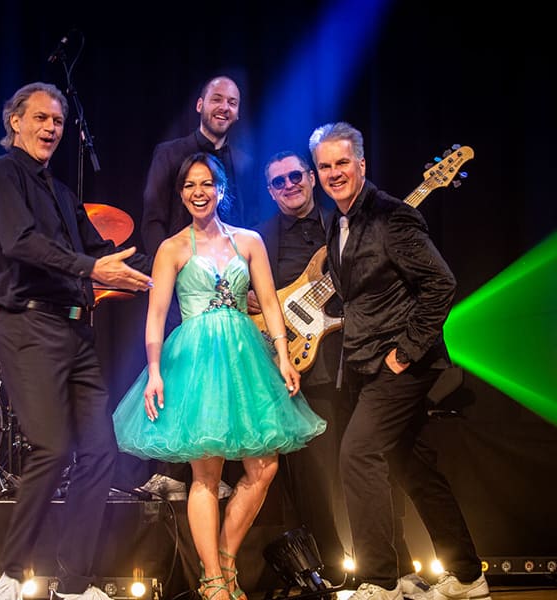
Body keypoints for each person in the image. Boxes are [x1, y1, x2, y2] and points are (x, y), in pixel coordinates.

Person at [113, 152, 326, 600]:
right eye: (190, 185)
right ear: (181, 194)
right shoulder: (172, 248)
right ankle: (213, 581)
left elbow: (270, 304)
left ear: (221, 189)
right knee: (205, 475)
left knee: (264, 467)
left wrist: (283, 356)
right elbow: (155, 317)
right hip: (196, 362)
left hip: (245, 358)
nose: (198, 192)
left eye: (206, 183)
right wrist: (154, 372)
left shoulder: (249, 241)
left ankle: (224, 559)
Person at [0, 81, 154, 600]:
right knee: (52, 447)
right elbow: (21, 242)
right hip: (28, 326)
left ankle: (74, 584)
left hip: (77, 331)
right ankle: (12, 574)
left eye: (57, 121)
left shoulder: (62, 193)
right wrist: (91, 268)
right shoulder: (2, 174)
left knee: (100, 452)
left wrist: (179, 258)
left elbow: (103, 253)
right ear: (16, 121)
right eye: (41, 118)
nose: (51, 128)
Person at [308, 122, 489, 600]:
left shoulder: (393, 217)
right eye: (324, 166)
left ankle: (380, 580)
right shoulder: (337, 222)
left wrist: (405, 352)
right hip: (364, 364)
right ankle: (468, 576)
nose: (333, 173)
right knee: (412, 467)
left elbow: (441, 285)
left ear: (361, 164)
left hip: (403, 365)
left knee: (357, 455)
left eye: (342, 163)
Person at [137, 75, 257, 499]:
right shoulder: (170, 153)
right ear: (200, 105)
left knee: (226, 379)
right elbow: (152, 218)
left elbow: (245, 225)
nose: (224, 107)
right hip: (182, 283)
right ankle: (173, 471)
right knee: (182, 375)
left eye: (232, 102)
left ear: (238, 112)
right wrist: (168, 276)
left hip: (229, 289)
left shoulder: (242, 161)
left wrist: (244, 280)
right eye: (217, 99)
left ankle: (214, 466)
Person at [247, 151, 351, 583]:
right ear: (270, 191)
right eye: (279, 181)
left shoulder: (342, 224)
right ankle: (325, 567)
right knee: (306, 474)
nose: (289, 185)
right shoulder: (259, 236)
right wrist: (251, 298)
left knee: (350, 464)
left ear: (311, 177)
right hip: (281, 361)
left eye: (295, 176)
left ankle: (377, 563)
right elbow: (235, 291)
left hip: (339, 357)